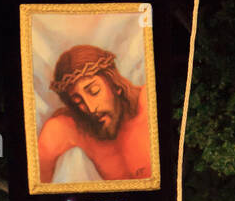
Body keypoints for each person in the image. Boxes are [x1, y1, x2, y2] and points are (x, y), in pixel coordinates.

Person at [37, 44, 153, 185]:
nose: (91, 109)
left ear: (114, 83)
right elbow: (35, 184)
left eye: (94, 91)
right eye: (78, 100)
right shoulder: (75, 127)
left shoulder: (149, 104)